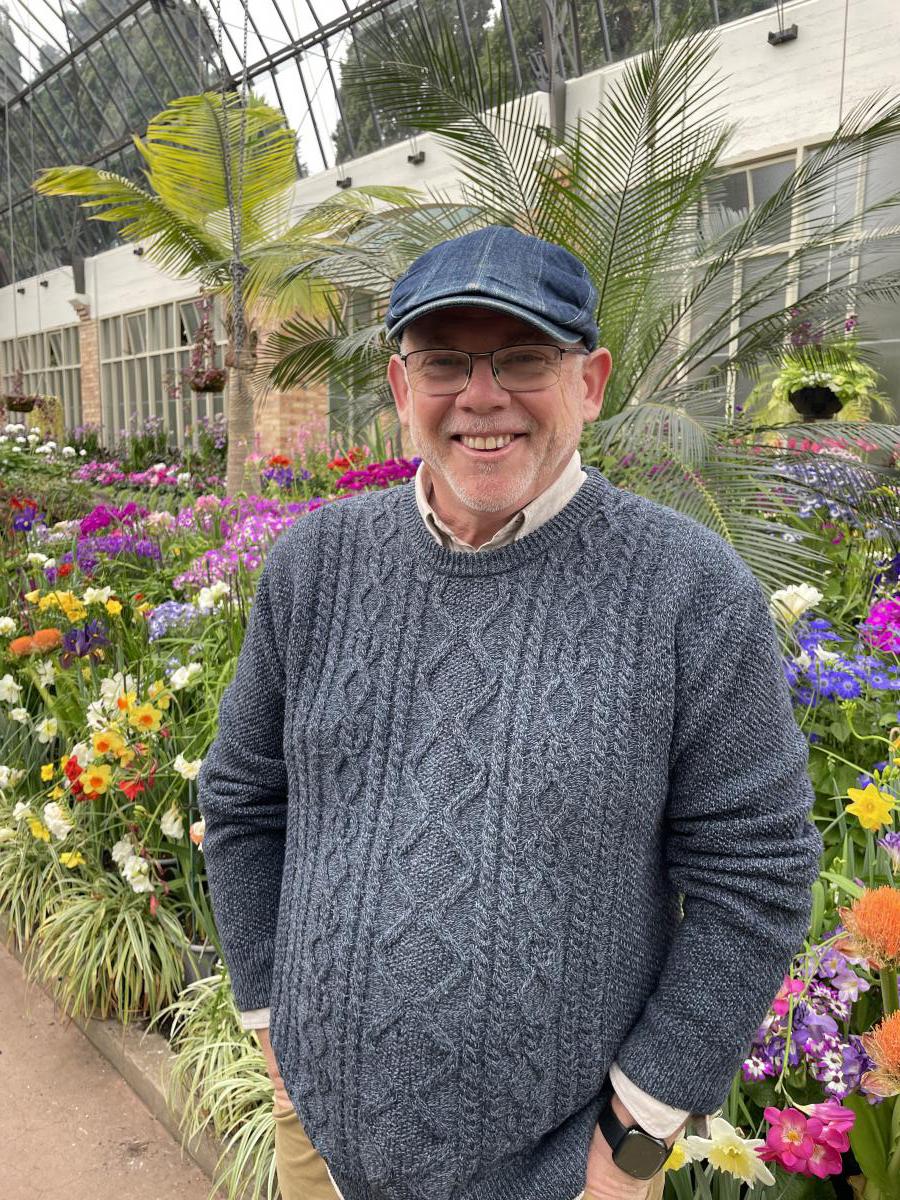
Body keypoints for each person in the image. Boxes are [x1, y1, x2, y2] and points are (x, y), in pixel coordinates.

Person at [198, 226, 823, 1200]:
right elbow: (242, 799)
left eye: (525, 358)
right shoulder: (314, 567)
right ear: (401, 387)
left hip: (565, 1175)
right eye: (443, 361)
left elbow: (758, 870)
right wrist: (274, 1028)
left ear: (591, 383)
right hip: (319, 1146)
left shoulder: (687, 590)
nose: (480, 396)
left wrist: (636, 1143)